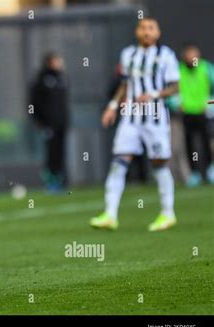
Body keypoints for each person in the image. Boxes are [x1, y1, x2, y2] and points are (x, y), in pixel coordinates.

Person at [90, 17, 180, 232]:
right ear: (137, 31)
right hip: (130, 117)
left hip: (155, 117)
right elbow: (124, 84)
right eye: (142, 27)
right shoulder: (128, 54)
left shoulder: (166, 55)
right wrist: (112, 106)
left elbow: (175, 86)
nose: (146, 31)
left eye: (150, 28)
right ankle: (110, 214)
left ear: (157, 33)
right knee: (119, 161)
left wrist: (155, 94)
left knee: (159, 164)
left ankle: (168, 213)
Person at [171, 44, 214, 186]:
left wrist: (209, 103)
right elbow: (171, 90)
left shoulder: (206, 68)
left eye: (194, 54)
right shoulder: (178, 70)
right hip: (187, 113)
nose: (192, 58)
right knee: (189, 143)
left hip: (204, 112)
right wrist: (176, 102)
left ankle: (210, 170)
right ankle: (194, 174)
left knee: (207, 142)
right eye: (189, 55)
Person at [30, 53, 69, 192]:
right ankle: (50, 182)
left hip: (61, 124)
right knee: (50, 154)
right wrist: (41, 123)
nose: (60, 63)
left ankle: (61, 181)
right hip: (48, 125)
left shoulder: (61, 79)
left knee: (60, 153)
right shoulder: (42, 80)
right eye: (56, 61)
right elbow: (34, 103)